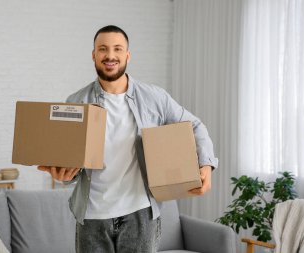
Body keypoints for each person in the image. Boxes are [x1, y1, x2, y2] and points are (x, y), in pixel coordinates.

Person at [38, 25, 218, 253]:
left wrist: (207, 164)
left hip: (140, 215)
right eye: (103, 49)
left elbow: (195, 125)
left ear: (127, 55)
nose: (110, 55)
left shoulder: (154, 97)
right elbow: (70, 165)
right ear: (94, 55)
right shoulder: (75, 102)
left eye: (117, 49)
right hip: (92, 217)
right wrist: (63, 175)